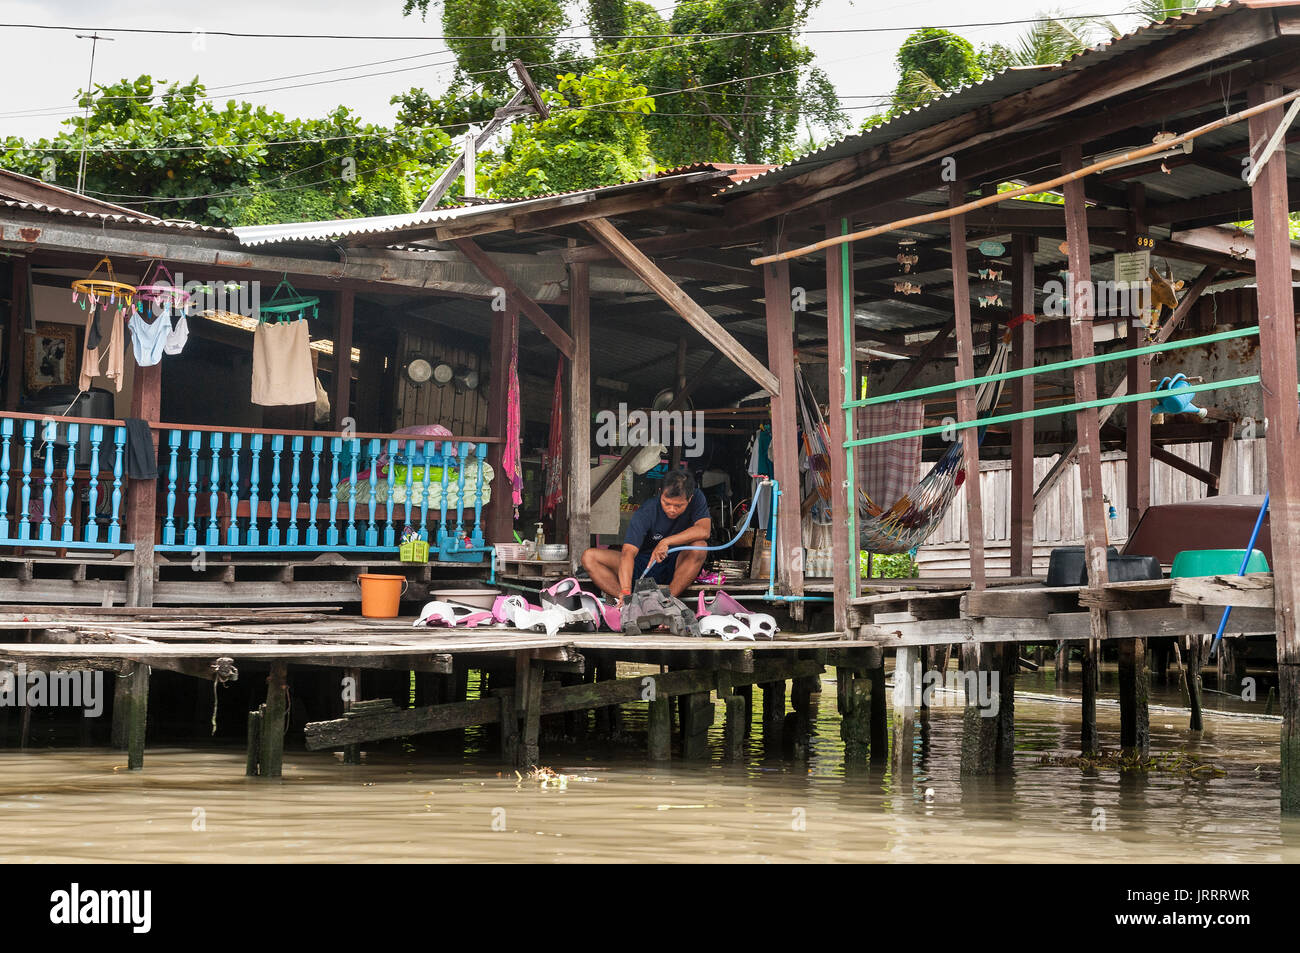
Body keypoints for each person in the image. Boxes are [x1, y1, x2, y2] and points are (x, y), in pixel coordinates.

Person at [581, 469, 710, 604]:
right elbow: (628, 553)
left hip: (677, 566)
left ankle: (668, 602)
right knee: (589, 557)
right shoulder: (647, 510)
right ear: (660, 492)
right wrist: (625, 590)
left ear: (690, 498)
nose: (672, 509)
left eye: (678, 505)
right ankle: (628, 601)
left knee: (700, 546)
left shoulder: (697, 498)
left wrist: (666, 542)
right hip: (643, 565)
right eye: (667, 503)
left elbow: (704, 530)